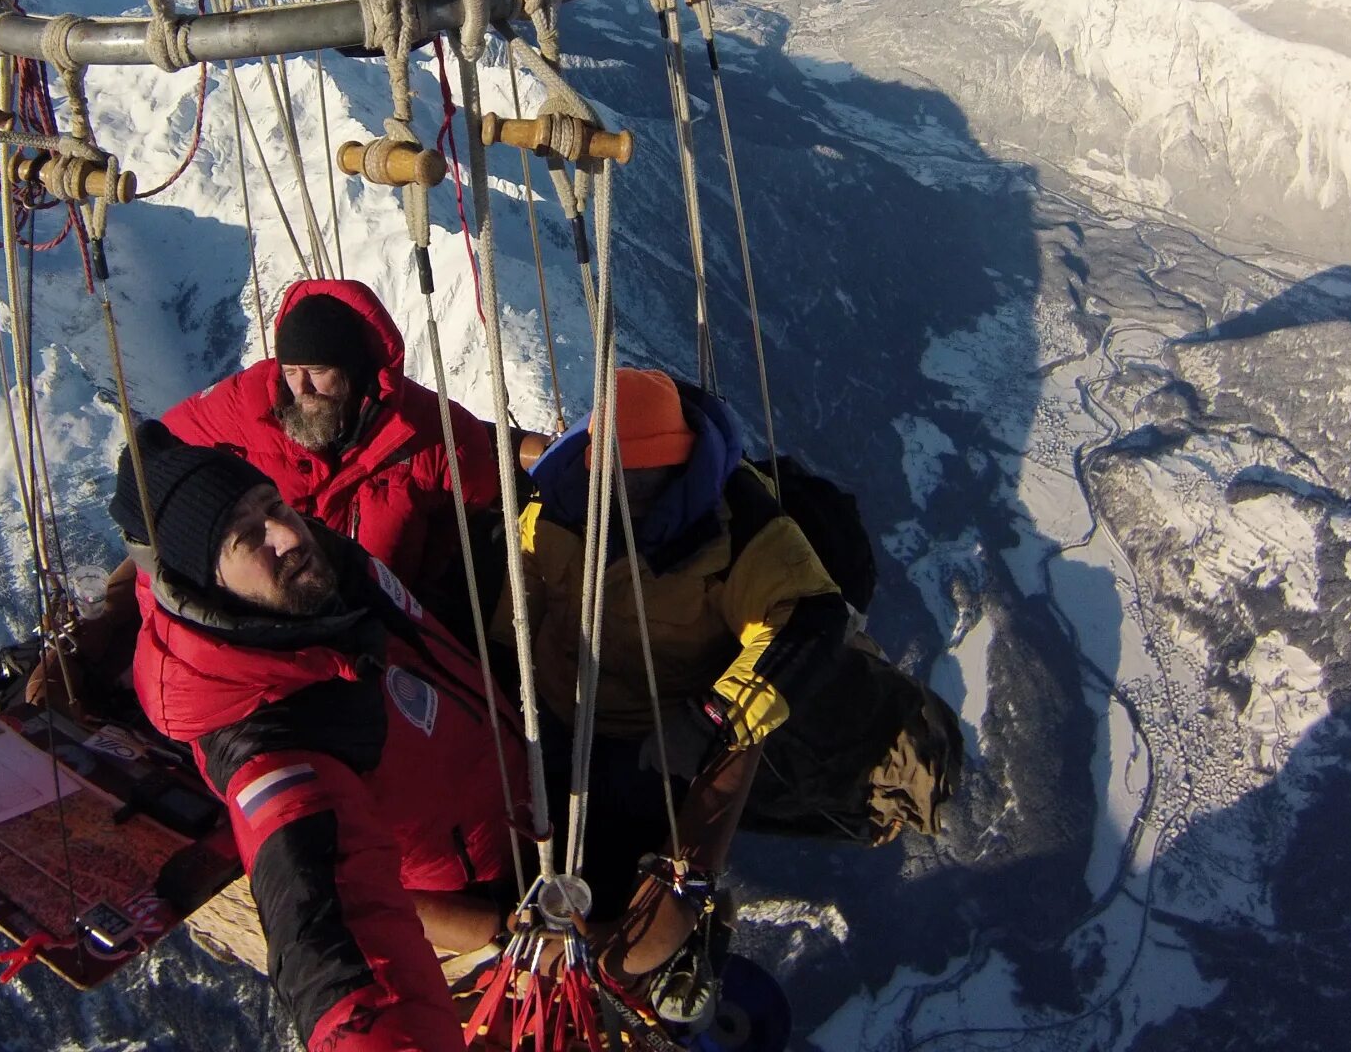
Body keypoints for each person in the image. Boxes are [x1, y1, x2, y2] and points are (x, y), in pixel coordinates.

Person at [502, 369, 962, 991]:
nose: (629, 494)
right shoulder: (558, 499)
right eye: (617, 478)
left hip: (650, 736)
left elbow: (806, 618)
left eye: (645, 480)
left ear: (681, 463)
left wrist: (711, 720)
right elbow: (525, 589)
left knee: (625, 880)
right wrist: (504, 668)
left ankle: (661, 974)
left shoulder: (738, 525)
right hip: (552, 713)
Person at [113, 420, 526, 1052]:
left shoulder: (316, 590)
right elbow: (330, 925)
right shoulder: (267, 739)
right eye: (245, 536)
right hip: (484, 886)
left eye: (272, 505)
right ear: (204, 586)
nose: (285, 531)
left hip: (516, 795)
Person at [162, 278, 544, 614]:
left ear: (353, 369)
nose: (301, 389)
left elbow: (474, 520)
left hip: (384, 621)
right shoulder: (246, 404)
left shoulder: (435, 433)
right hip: (275, 619)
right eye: (291, 372)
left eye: (316, 372)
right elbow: (161, 447)